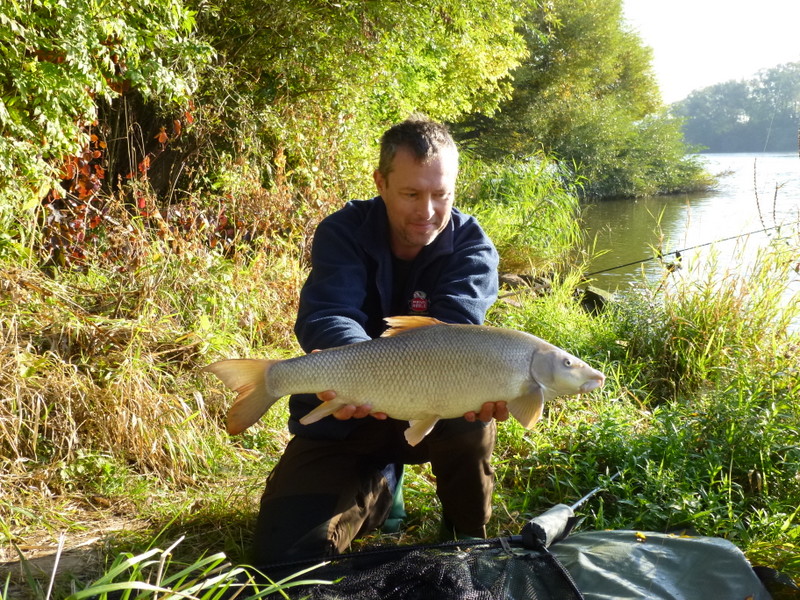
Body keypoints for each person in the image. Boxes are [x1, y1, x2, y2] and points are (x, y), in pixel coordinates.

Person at [252, 115, 507, 565]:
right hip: (347, 416)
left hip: (434, 412)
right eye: (411, 194)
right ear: (381, 183)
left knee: (469, 399)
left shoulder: (473, 246)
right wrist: (348, 376)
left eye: (441, 194)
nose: (427, 210)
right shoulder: (343, 230)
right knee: (284, 559)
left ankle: (465, 533)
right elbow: (330, 313)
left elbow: (452, 340)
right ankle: (383, 484)